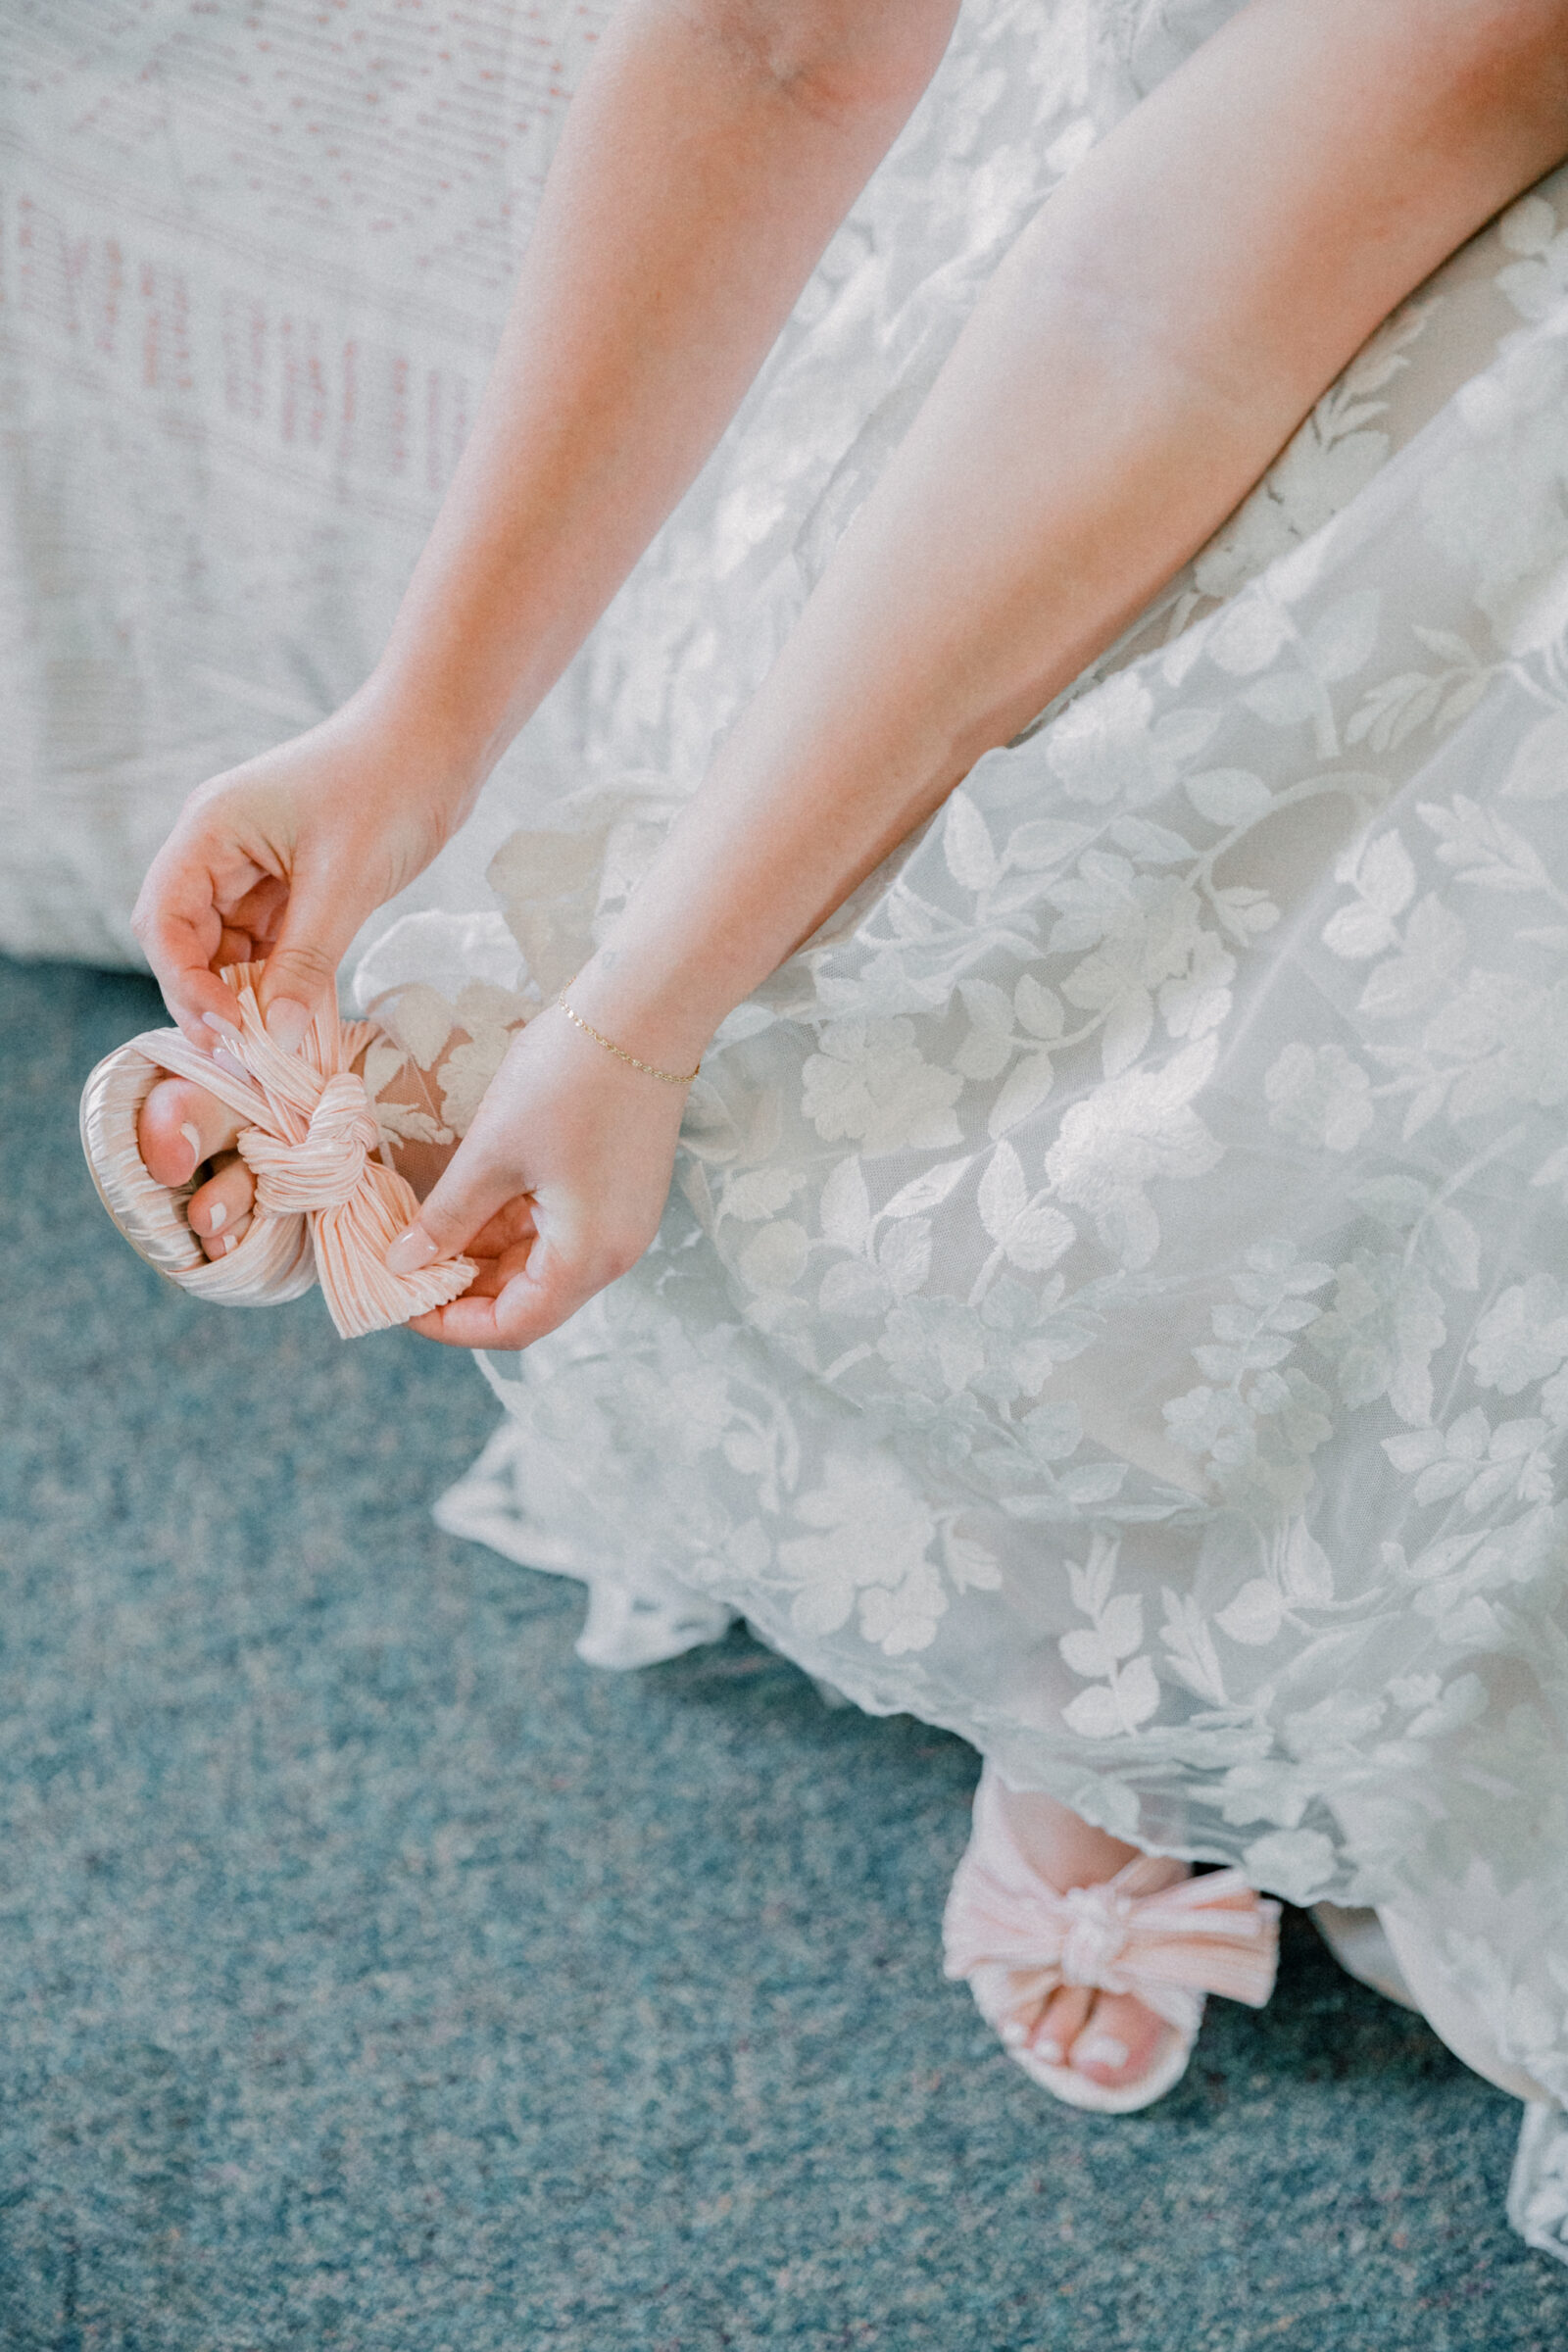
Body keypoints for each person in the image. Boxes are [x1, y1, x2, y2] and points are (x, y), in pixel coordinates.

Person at [79, 0, 1568, 2230]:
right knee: (932, 978)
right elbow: (772, 42)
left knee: (1357, 985)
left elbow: (1176, 306)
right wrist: (421, 715)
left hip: (1384, 236)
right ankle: (1092, 1662)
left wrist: (641, 1010)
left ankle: (1223, 1668)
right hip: (1175, 169)